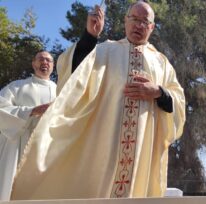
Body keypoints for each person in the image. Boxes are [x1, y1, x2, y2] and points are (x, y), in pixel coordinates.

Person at [11, 1, 185, 200]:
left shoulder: (162, 63)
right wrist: (90, 37)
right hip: (105, 145)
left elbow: (178, 100)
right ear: (125, 21)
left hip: (142, 151)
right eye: (134, 19)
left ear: (152, 27)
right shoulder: (105, 51)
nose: (138, 25)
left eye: (144, 21)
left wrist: (159, 92)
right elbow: (76, 76)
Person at [0, 51, 56, 201]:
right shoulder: (17, 86)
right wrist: (30, 111)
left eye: (48, 60)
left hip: (48, 147)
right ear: (33, 63)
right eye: (41, 59)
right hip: (18, 146)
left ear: (53, 66)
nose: (45, 62)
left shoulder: (61, 91)